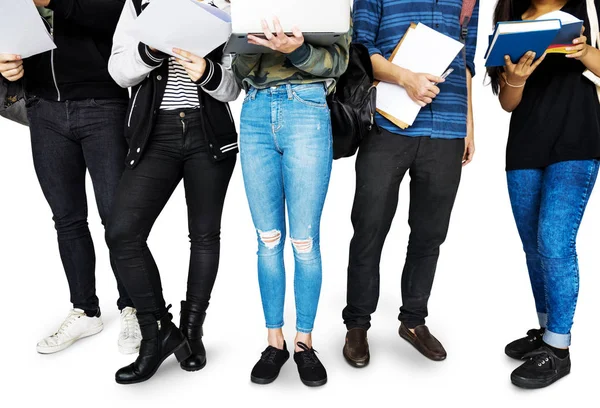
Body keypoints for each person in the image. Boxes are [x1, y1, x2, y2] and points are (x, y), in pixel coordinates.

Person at [106, 0, 240, 384]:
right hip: (156, 137)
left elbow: (233, 88)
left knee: (204, 236)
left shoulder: (224, 6)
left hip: (208, 134)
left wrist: (208, 72)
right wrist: (149, 52)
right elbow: (119, 71)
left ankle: (192, 331)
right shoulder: (139, 4)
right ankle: (158, 331)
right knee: (122, 233)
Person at [0, 0, 141, 355]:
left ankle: (135, 307)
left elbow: (114, 16)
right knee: (66, 218)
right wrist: (7, 67)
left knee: (117, 218)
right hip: (43, 108)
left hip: (102, 104)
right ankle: (85, 310)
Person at [342, 0, 479, 367]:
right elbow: (362, 50)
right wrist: (406, 78)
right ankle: (356, 324)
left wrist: (468, 127)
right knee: (369, 227)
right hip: (388, 124)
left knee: (430, 234)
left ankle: (414, 321)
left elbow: (466, 61)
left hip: (447, 129)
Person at [232, 18, 350, 387]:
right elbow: (237, 67)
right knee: (267, 239)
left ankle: (304, 342)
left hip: (307, 107)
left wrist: (296, 50)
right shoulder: (251, 7)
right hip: (253, 110)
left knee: (304, 241)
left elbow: (340, 62)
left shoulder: (326, 6)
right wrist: (261, 44)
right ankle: (274, 341)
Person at [488, 0, 600, 390]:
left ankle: (559, 347)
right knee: (534, 247)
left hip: (577, 141)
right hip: (523, 147)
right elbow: (507, 101)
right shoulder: (508, 20)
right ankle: (546, 328)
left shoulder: (589, 8)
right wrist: (515, 78)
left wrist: (585, 52)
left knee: (554, 241)